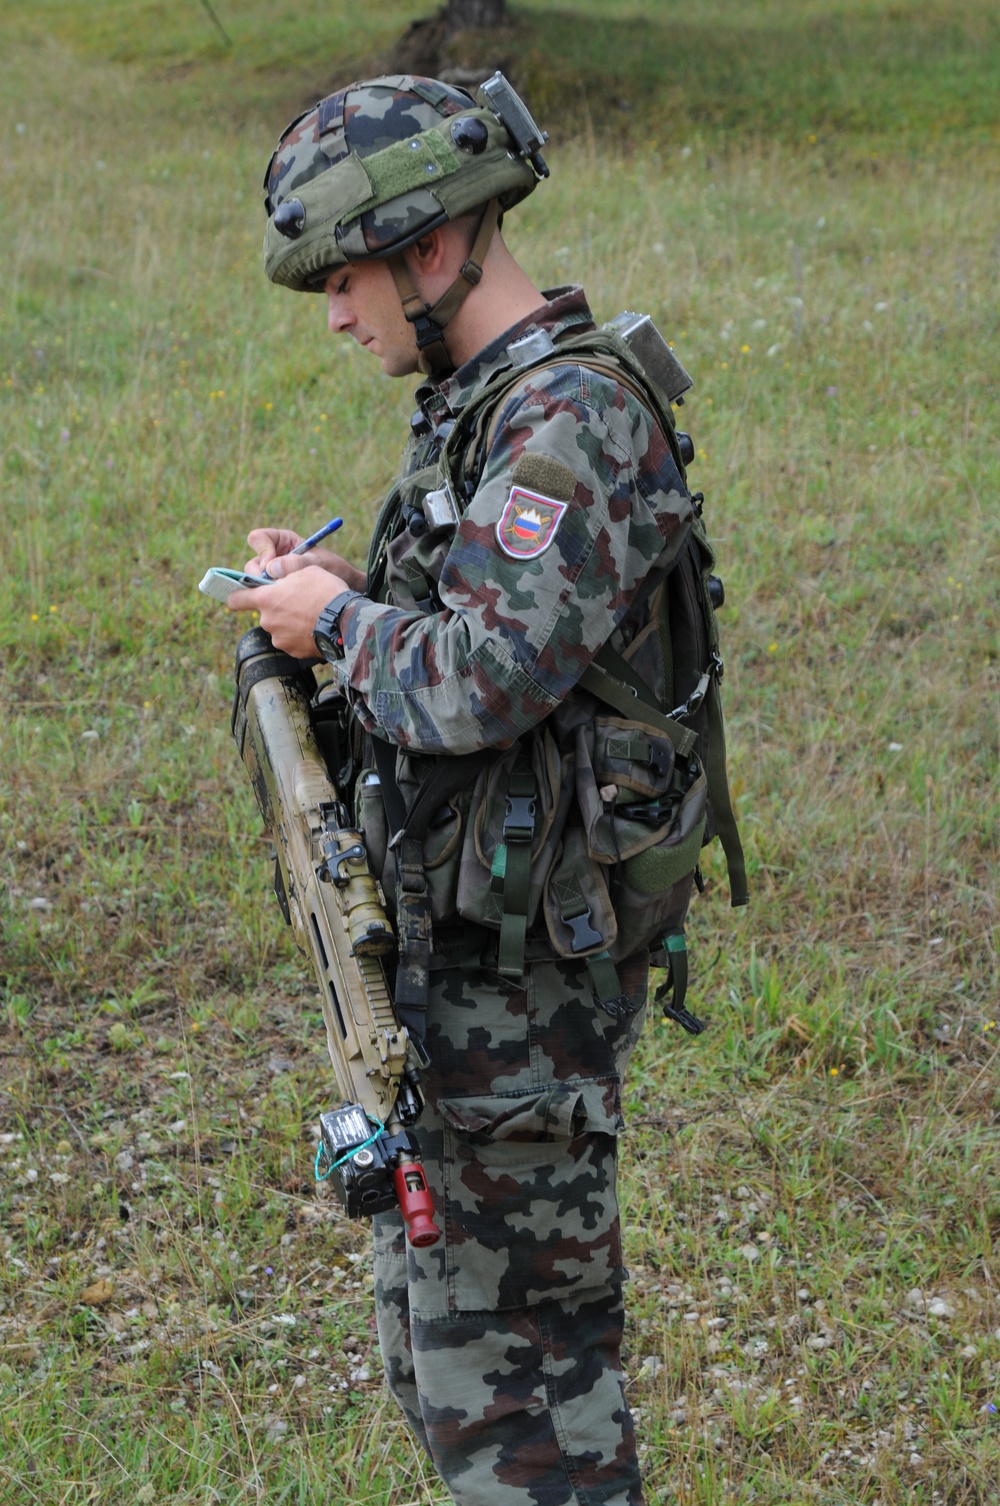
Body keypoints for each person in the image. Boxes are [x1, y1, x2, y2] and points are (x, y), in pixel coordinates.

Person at [227, 72, 734, 1506]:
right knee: (450, 1368)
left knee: (528, 1419)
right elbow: (476, 623)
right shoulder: (489, 406)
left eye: (346, 274)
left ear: (434, 249)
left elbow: (481, 678)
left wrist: (334, 624)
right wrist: (337, 588)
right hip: (467, 968)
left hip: (527, 1000)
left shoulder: (568, 425)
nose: (337, 311)